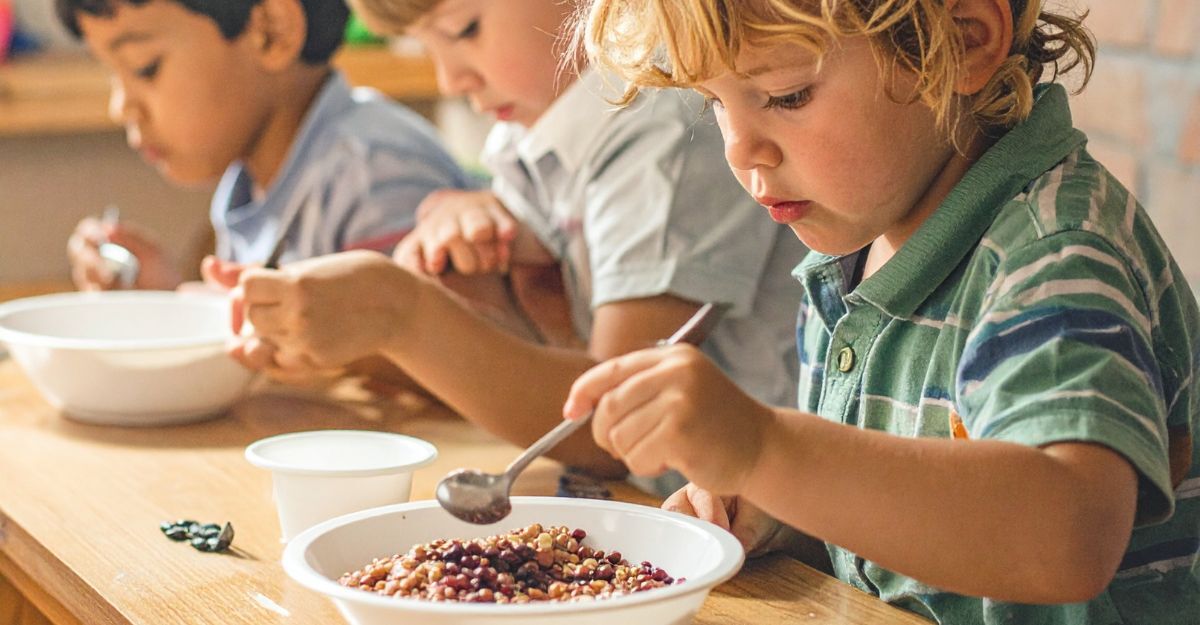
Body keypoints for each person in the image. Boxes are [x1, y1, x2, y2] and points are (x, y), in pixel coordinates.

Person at [563, 0, 1200, 621]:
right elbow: (925, 547)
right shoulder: (853, 251)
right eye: (715, 102)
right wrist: (787, 507)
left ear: (961, 44)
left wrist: (767, 450)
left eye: (787, 96)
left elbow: (1068, 541)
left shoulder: (1052, 257)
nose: (738, 149)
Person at [226, 0, 808, 491]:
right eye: (426, 47)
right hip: (646, 501)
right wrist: (457, 243)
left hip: (751, 529)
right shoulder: (527, 135)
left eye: (464, 31)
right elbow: (523, 332)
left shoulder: (665, 122)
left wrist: (401, 313)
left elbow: (611, 426)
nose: (451, 80)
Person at [59, 0, 472, 291]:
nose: (120, 107)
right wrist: (164, 299)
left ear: (270, 32)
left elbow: (419, 364)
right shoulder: (249, 181)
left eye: (143, 68)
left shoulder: (374, 173)